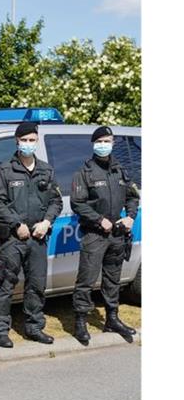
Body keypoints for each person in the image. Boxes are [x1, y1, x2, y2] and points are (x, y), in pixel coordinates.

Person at [0, 122, 63, 348]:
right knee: (5, 285)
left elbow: (56, 200)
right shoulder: (4, 170)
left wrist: (47, 221)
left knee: (37, 285)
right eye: (24, 140)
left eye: (32, 140)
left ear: (37, 141)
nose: (28, 144)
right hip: (12, 238)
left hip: (38, 237)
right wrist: (15, 223)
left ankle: (34, 327)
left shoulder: (46, 170)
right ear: (17, 141)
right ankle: (0, 330)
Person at [71, 126, 139, 345]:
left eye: (107, 141)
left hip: (117, 235)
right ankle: (80, 321)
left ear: (113, 143)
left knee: (113, 279)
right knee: (86, 280)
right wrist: (99, 219)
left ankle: (112, 319)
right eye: (100, 141)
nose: (104, 145)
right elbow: (77, 203)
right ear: (94, 144)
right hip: (95, 234)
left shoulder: (120, 170)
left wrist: (130, 216)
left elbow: (132, 197)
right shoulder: (85, 172)